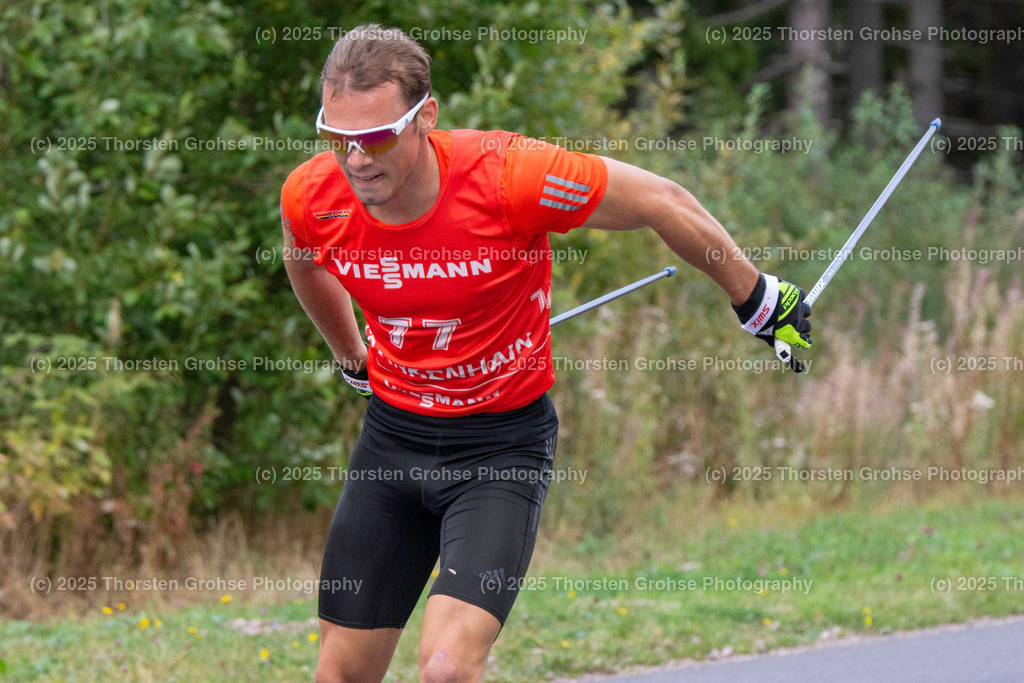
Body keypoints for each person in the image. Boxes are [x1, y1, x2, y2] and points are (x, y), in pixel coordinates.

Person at [280, 24, 812, 683]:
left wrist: (756, 297)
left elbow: (660, 200)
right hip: (392, 442)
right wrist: (351, 353)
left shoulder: (510, 176)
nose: (357, 160)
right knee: (339, 675)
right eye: (338, 138)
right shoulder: (313, 195)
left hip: (498, 451)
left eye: (378, 136)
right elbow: (305, 264)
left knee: (445, 667)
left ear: (426, 117)